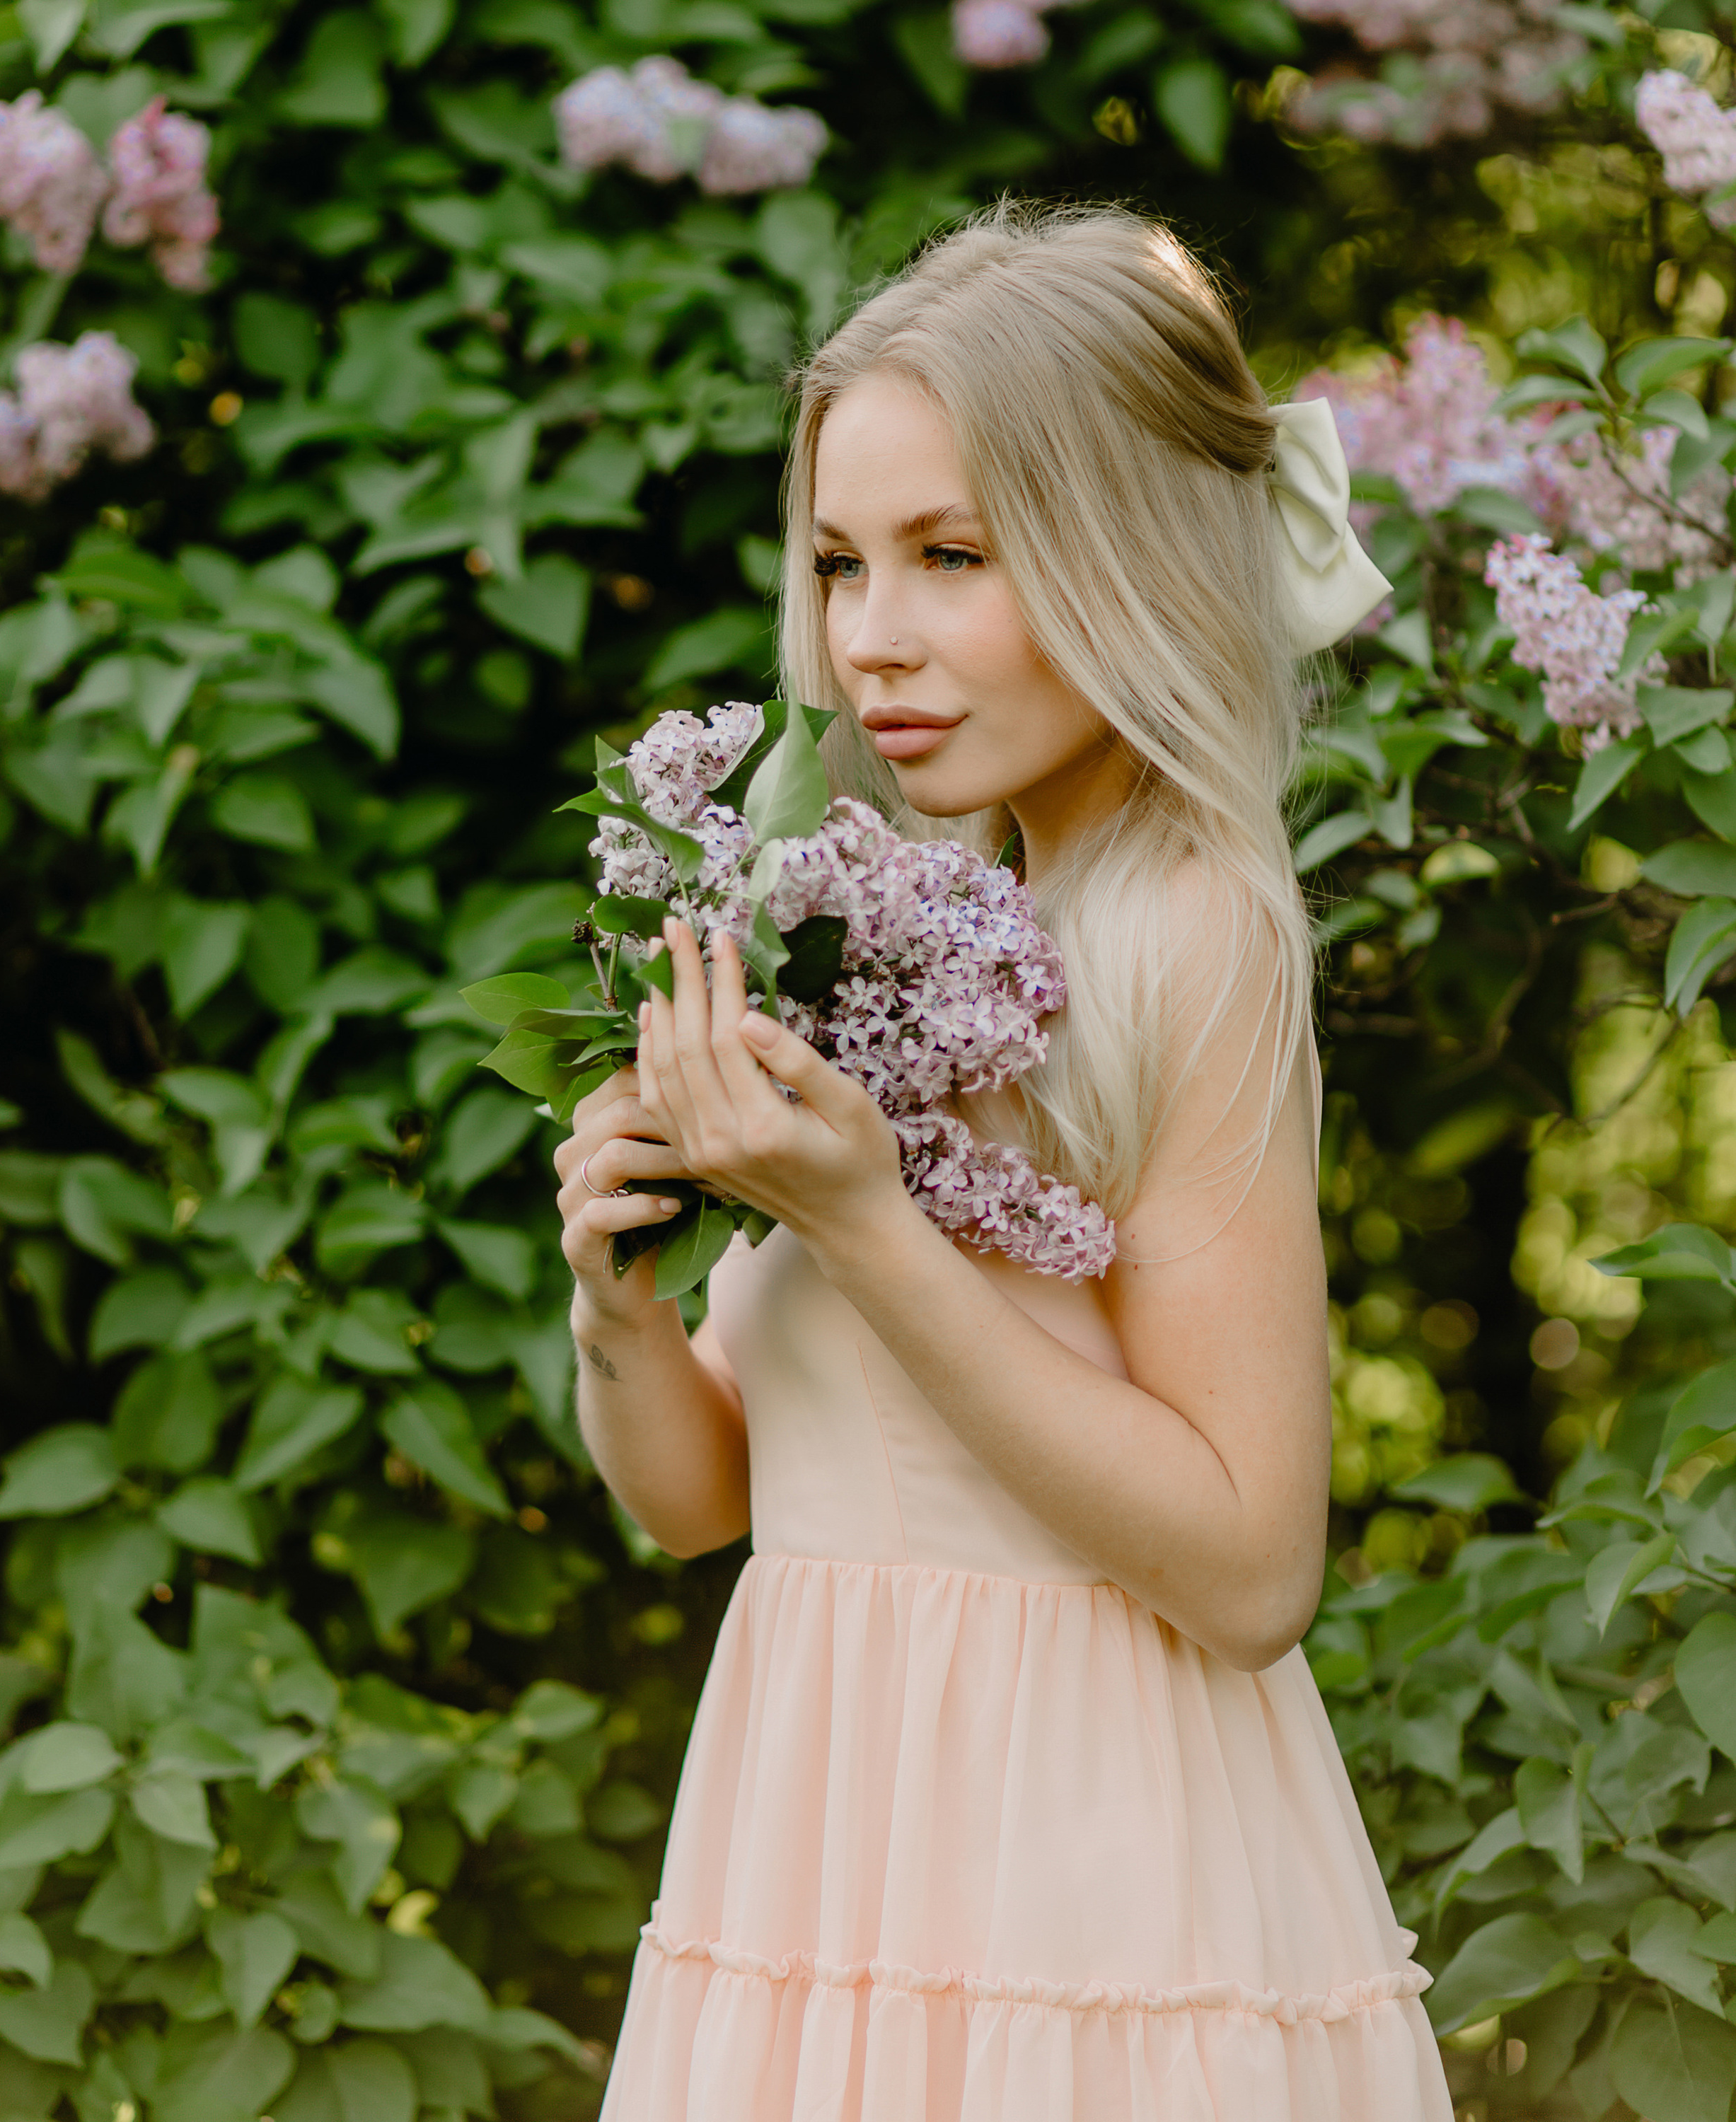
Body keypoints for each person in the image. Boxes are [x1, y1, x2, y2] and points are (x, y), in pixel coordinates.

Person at [557, 203, 1454, 2119]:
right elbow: (713, 1504)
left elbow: (1246, 1566)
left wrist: (868, 1222)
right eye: (841, 563)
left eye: (953, 557)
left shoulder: (1183, 932)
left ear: (1126, 550)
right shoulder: (905, 926)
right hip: (822, 1861)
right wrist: (620, 1313)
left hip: (1077, 1891)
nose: (872, 639)